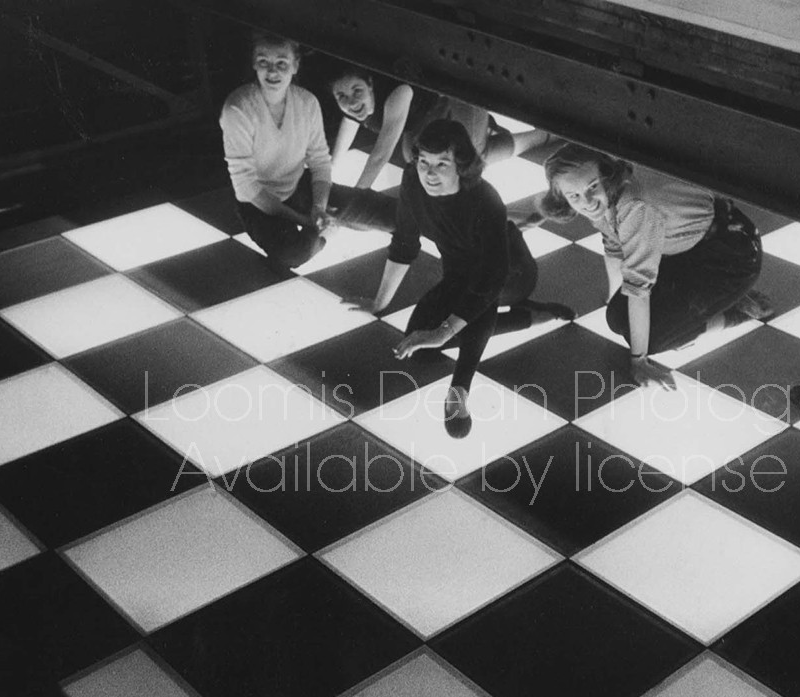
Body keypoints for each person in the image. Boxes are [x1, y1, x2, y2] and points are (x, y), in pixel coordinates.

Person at [342, 119, 573, 438]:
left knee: (471, 301)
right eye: (424, 162)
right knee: (419, 344)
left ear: (461, 164)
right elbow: (405, 242)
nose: (429, 173)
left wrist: (445, 330)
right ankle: (530, 317)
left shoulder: (484, 199)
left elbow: (491, 278)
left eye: (441, 163)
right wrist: (379, 303)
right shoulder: (413, 182)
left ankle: (459, 391)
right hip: (461, 275)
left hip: (511, 274)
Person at [540, 144, 770, 389]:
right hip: (684, 250)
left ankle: (736, 312)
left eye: (592, 187)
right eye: (573, 196)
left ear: (607, 174)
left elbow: (639, 290)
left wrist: (639, 362)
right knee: (616, 317)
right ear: (561, 196)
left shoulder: (635, 207)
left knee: (655, 341)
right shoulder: (609, 197)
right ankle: (722, 300)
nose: (586, 202)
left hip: (732, 254)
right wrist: (614, 300)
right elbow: (614, 247)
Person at [220, 35, 396, 268]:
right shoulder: (237, 108)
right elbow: (246, 188)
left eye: (282, 63)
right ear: (254, 64)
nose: (273, 72)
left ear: (295, 65)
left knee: (389, 213)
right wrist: (309, 222)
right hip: (258, 204)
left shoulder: (307, 102)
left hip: (299, 188)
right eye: (264, 62)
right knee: (293, 253)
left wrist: (319, 209)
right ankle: (325, 236)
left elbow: (320, 163)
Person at [328, 68, 553, 190]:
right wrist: (329, 170)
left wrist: (358, 194)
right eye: (342, 97)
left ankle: (542, 136)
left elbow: (380, 154)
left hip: (456, 96)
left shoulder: (397, 95)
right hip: (428, 119)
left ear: (370, 84)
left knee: (470, 159)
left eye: (357, 91)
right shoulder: (350, 105)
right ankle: (487, 127)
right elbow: (348, 125)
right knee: (414, 158)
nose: (351, 102)